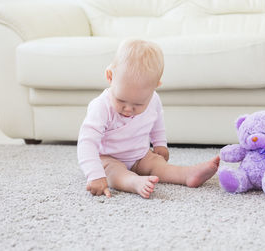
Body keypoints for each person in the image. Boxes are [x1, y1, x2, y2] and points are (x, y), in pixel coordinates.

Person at [77, 39, 220, 198]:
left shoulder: (153, 99)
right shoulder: (101, 107)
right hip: (108, 158)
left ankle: (187, 174)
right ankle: (134, 182)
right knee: (114, 172)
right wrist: (95, 174)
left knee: (158, 164)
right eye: (121, 100)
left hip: (140, 155)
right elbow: (87, 142)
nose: (129, 109)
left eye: (138, 104)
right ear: (110, 76)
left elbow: (157, 121)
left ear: (155, 87)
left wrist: (160, 144)